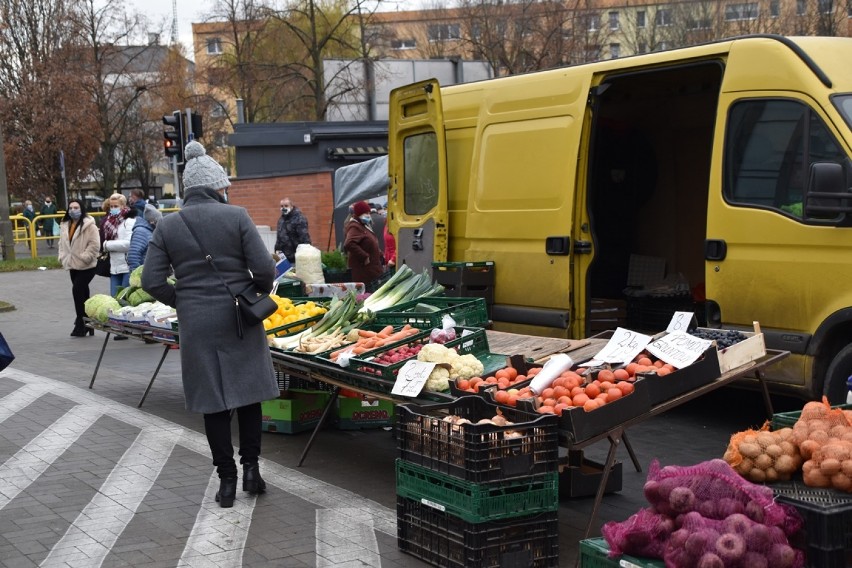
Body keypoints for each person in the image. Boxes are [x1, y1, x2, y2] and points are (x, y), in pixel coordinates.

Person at [141, 140, 278, 509]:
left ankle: (226, 481)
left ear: (188, 189)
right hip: (240, 318)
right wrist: (253, 292)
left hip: (197, 324)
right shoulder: (236, 216)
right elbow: (265, 270)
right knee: (248, 396)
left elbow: (151, 280)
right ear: (218, 187)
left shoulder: (169, 225)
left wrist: (182, 301)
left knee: (213, 402)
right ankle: (252, 470)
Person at [58, 199, 100, 337]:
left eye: (76, 207)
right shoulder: (65, 224)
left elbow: (94, 245)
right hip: (72, 264)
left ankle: (81, 323)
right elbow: (61, 243)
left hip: (87, 265)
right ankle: (89, 323)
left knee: (77, 291)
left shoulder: (89, 225)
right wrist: (62, 256)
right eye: (70, 208)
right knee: (83, 293)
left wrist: (85, 256)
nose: (73, 210)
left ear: (81, 209)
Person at [100, 194, 136, 340]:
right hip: (114, 265)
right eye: (111, 206)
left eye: (116, 206)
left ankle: (127, 328)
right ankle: (120, 328)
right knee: (115, 298)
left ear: (123, 206)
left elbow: (128, 243)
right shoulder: (109, 221)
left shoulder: (129, 221)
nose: (113, 209)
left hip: (126, 265)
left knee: (124, 299)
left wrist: (107, 245)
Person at [344, 200, 384, 290]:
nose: (368, 215)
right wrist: (365, 256)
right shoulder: (355, 226)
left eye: (368, 213)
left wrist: (379, 253)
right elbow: (349, 243)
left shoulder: (363, 225)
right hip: (364, 271)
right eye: (365, 213)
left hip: (372, 270)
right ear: (359, 214)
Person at [274, 198, 311, 264]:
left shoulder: (299, 219)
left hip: (296, 258)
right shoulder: (281, 219)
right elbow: (279, 237)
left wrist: (304, 255)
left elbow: (304, 238)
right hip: (283, 258)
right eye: (282, 206)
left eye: (286, 206)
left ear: (291, 206)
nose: (283, 208)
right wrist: (277, 251)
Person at [128, 204, 162, 271]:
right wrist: (137, 275)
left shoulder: (149, 231)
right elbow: (133, 256)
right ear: (152, 221)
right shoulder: (141, 232)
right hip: (144, 274)